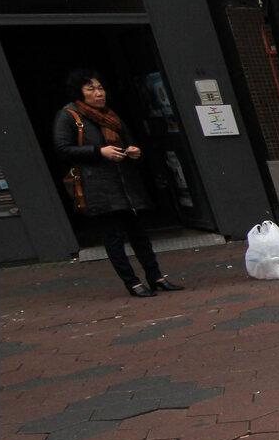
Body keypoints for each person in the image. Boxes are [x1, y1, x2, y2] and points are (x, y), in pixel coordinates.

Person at [52, 69, 183, 298]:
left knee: (139, 234)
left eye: (100, 88)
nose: (98, 93)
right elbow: (63, 148)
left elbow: (129, 142)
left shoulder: (111, 115)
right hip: (98, 187)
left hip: (125, 184)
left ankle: (156, 277)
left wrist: (134, 152)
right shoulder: (69, 116)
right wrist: (98, 151)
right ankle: (132, 283)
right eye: (91, 89)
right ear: (79, 92)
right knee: (113, 237)